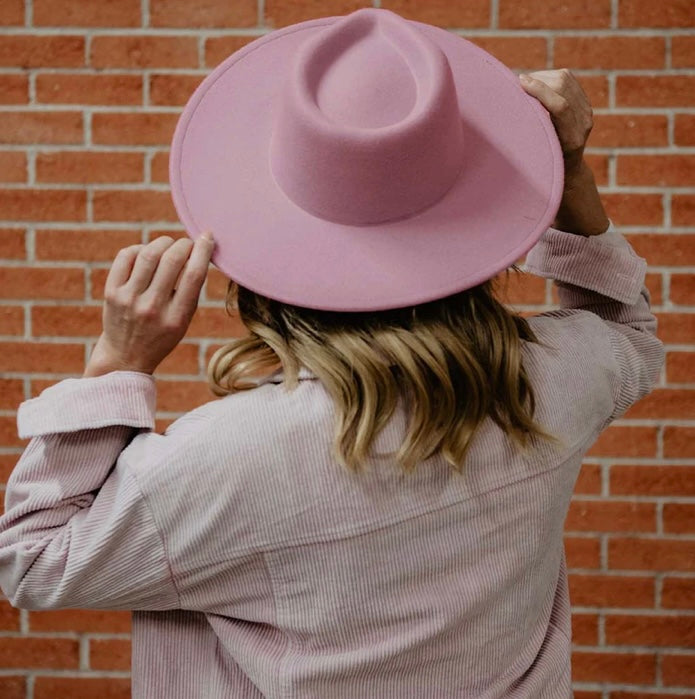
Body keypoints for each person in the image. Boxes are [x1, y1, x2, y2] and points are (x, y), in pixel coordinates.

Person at [0, 8, 663, 699]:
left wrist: (118, 359)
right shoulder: (552, 381)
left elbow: (33, 559)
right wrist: (571, 172)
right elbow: (626, 333)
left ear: (268, 258)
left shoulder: (232, 455)